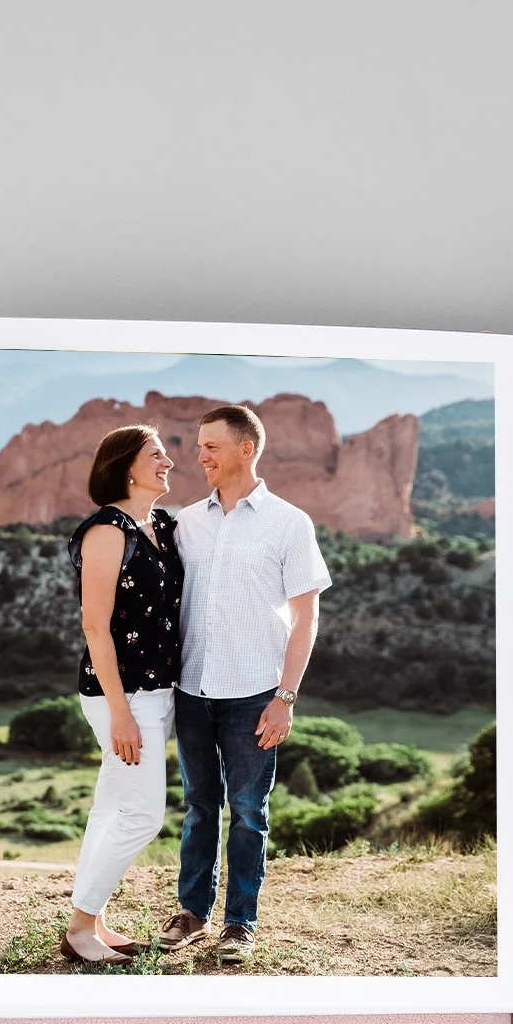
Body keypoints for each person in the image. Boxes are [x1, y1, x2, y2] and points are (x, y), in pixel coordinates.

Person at [154, 405, 331, 964]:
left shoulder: (289, 522)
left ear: (245, 450)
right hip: (191, 691)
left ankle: (240, 923)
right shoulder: (186, 521)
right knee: (199, 807)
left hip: (256, 694)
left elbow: (306, 620)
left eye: (210, 446)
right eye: (199, 445)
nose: (198, 455)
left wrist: (285, 698)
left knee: (249, 810)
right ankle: (192, 912)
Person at [61, 425, 184, 966]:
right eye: (156, 455)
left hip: (157, 690)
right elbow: (94, 626)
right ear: (127, 467)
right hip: (123, 695)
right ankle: (80, 927)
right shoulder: (107, 531)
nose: (168, 463)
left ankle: (94, 920)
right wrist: (120, 714)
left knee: (111, 808)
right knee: (142, 815)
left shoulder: (158, 524)